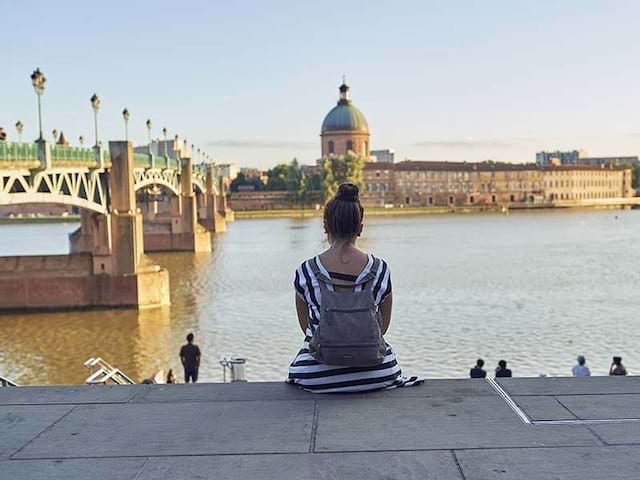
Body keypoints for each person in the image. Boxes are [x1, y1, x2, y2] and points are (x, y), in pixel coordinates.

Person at [287, 183, 423, 393]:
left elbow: (306, 327)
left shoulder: (305, 271)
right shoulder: (380, 269)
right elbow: (382, 328)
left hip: (315, 375)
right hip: (377, 374)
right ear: (360, 227)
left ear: (326, 226)